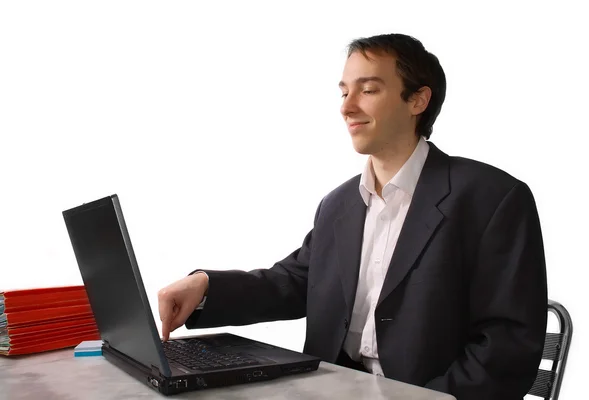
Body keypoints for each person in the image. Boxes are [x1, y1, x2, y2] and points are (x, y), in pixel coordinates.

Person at [157, 33, 548, 400]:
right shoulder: (339, 204)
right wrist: (205, 287)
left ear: (417, 100)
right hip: (331, 387)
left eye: (368, 90)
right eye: (344, 92)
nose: (347, 107)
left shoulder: (492, 198)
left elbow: (508, 344)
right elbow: (297, 281)